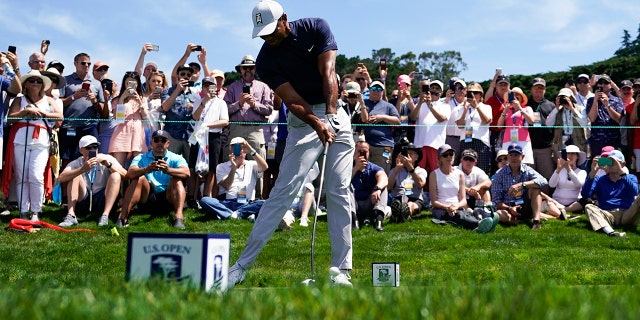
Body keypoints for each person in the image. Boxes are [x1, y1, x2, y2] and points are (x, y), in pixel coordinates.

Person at [228, 0, 355, 288]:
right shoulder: (265, 62)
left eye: (272, 31)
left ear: (285, 19)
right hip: (302, 121)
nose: (268, 38)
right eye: (263, 34)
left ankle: (341, 271)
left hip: (334, 110)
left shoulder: (316, 27)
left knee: (338, 189)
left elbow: (329, 72)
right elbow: (293, 101)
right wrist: (318, 124)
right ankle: (241, 267)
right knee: (282, 193)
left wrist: (332, 115)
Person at [4, 71, 63, 221]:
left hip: (41, 141)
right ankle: (24, 210)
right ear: (26, 84)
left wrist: (43, 114)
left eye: (38, 80)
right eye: (32, 80)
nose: (35, 83)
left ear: (42, 84)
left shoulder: (49, 100)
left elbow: (60, 117)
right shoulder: (19, 99)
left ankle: (36, 210)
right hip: (20, 140)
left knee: (36, 176)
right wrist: (25, 111)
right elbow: (10, 118)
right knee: (22, 176)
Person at [116, 130, 190, 229]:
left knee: (177, 179)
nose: (159, 143)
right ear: (151, 143)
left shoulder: (175, 157)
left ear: (167, 144)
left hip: (168, 198)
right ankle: (122, 217)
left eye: (163, 140)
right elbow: (130, 174)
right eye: (156, 140)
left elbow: (187, 173)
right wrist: (146, 169)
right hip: (147, 197)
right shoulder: (141, 157)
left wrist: (168, 170)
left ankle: (178, 217)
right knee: (138, 178)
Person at [224, 54, 274, 198]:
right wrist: (238, 104)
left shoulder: (263, 87)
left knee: (257, 163)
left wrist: (254, 105)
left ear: (255, 69)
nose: (248, 70)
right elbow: (225, 110)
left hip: (256, 129)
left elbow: (269, 109)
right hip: (236, 128)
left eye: (251, 67)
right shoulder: (232, 87)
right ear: (240, 70)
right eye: (245, 67)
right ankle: (231, 195)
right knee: (234, 159)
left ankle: (257, 198)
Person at [57, 136, 126, 227]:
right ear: (81, 150)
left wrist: (108, 165)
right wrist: (82, 169)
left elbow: (125, 175)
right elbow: (60, 178)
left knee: (116, 175)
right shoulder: (77, 162)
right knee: (74, 175)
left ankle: (105, 215)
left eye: (95, 147)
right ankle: (71, 215)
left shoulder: (105, 158)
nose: (93, 150)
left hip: (102, 198)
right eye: (89, 147)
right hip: (84, 198)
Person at [429, 145, 495, 233]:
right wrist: (448, 207)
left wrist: (456, 206)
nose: (449, 157)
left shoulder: (459, 174)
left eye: (451, 154)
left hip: (457, 207)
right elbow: (434, 202)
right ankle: (480, 224)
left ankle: (486, 219)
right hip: (441, 209)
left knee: (462, 213)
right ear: (439, 158)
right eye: (445, 155)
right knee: (458, 215)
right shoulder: (434, 174)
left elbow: (463, 200)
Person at [199, 137, 267, 220]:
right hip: (227, 202)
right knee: (205, 200)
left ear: (245, 151)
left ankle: (227, 214)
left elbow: (265, 167)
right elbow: (226, 186)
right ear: (230, 150)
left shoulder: (252, 164)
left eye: (241, 148)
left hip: (246, 202)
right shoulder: (221, 166)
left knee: (265, 203)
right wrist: (234, 168)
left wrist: (251, 150)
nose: (237, 151)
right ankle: (241, 214)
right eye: (234, 148)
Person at [59, 53, 107, 169]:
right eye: (83, 63)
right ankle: (67, 186)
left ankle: (89, 186)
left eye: (89, 63)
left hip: (89, 127)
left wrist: (94, 101)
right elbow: (58, 102)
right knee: (68, 160)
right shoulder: (66, 80)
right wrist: (74, 97)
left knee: (91, 157)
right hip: (70, 127)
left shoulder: (96, 83)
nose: (86, 65)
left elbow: (102, 109)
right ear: (75, 63)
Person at [581, 150, 640, 237]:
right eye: (609, 162)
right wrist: (593, 172)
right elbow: (585, 194)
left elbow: (635, 191)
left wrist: (621, 172)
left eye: (615, 162)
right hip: (607, 215)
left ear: (623, 164)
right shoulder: (600, 179)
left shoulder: (630, 177)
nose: (612, 165)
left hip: (627, 214)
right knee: (589, 207)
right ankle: (610, 231)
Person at [491, 143, 548, 229]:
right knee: (499, 214)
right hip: (508, 208)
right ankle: (517, 219)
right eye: (511, 155)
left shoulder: (527, 169)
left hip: (525, 205)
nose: (513, 158)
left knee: (535, 188)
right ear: (508, 157)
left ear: (522, 156)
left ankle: (536, 221)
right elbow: (496, 201)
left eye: (516, 155)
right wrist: (510, 208)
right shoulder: (499, 174)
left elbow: (544, 181)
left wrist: (523, 184)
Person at [191, 76, 229, 198]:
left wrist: (208, 125)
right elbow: (195, 117)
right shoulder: (198, 101)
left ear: (216, 87)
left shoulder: (221, 102)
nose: (208, 88)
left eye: (211, 86)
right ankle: (193, 196)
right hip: (199, 136)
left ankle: (207, 196)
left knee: (212, 167)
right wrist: (204, 102)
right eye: (206, 86)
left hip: (213, 136)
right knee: (194, 166)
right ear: (203, 88)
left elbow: (225, 121)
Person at [108, 71, 148, 168]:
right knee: (118, 168)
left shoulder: (143, 99)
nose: (130, 86)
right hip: (121, 135)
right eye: (128, 83)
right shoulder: (117, 100)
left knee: (138, 167)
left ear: (138, 84)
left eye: (133, 83)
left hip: (138, 136)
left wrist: (139, 101)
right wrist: (122, 99)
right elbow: (118, 119)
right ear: (124, 84)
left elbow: (145, 117)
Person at [411, 80, 449, 174]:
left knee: (436, 172)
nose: (434, 90)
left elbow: (441, 118)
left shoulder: (445, 105)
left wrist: (430, 105)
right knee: (418, 172)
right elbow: (413, 117)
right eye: (432, 88)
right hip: (420, 144)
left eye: (437, 89)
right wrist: (420, 102)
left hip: (436, 145)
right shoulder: (420, 104)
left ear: (441, 93)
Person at [360, 80, 400, 172]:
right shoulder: (363, 103)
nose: (376, 91)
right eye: (373, 88)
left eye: (379, 89)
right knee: (363, 172)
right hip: (365, 145)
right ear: (369, 90)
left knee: (381, 172)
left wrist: (382, 117)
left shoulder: (388, 106)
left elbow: (398, 121)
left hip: (384, 146)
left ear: (382, 92)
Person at [351, 141, 389, 231]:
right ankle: (354, 220)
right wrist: (356, 168)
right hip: (354, 204)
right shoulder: (348, 167)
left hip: (371, 202)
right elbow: (343, 181)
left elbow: (383, 177)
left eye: (365, 152)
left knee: (383, 188)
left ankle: (379, 221)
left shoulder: (373, 167)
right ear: (354, 152)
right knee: (347, 187)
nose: (362, 154)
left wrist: (377, 188)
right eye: (360, 151)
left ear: (369, 153)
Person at [455, 83, 492, 173]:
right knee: (464, 170)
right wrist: (464, 110)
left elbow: (486, 121)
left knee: (481, 169)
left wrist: (477, 106)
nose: (473, 95)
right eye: (470, 93)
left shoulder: (486, 107)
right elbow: (460, 126)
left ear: (480, 95)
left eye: (475, 93)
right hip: (465, 140)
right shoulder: (461, 107)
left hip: (481, 141)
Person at [544, 145, 587, 219]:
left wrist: (569, 169)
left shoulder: (582, 172)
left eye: (573, 153)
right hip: (557, 201)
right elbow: (551, 185)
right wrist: (558, 170)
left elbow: (578, 184)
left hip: (574, 203)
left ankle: (563, 210)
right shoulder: (560, 170)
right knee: (545, 202)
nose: (570, 156)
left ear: (577, 157)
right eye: (568, 153)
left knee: (586, 201)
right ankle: (561, 212)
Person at [388, 142, 427, 222]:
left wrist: (410, 168)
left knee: (410, 205)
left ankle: (404, 213)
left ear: (416, 157)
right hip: (398, 197)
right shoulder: (395, 170)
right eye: (407, 153)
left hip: (414, 198)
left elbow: (420, 184)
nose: (408, 156)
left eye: (412, 153)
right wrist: (396, 170)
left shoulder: (421, 171)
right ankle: (399, 212)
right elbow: (389, 187)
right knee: (397, 203)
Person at [586, 74, 624, 157]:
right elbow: (592, 118)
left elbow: (619, 120)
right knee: (600, 165)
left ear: (610, 85)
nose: (602, 85)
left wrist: (607, 105)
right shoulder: (591, 100)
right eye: (600, 83)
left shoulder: (617, 100)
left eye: (605, 83)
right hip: (597, 142)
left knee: (612, 165)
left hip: (613, 141)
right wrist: (595, 101)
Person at [526, 77, 555, 180]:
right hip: (528, 148)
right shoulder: (525, 104)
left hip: (546, 148)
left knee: (546, 178)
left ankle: (546, 197)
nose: (538, 89)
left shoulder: (551, 105)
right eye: (536, 87)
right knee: (529, 179)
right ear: (531, 89)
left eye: (541, 87)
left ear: (545, 90)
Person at [497, 87, 534, 165]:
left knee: (525, 165)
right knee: (508, 165)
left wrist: (520, 108)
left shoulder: (527, 108)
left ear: (521, 99)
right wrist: (504, 112)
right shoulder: (507, 110)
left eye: (517, 97)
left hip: (523, 140)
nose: (514, 99)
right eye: (513, 97)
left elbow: (531, 121)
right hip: (508, 140)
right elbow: (499, 126)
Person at [546, 88, 588, 155]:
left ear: (571, 98)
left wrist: (572, 109)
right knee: (562, 164)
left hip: (577, 142)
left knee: (578, 163)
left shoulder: (580, 109)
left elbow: (585, 124)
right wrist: (556, 108)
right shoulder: (557, 111)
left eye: (565, 98)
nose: (564, 100)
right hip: (561, 143)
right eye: (561, 98)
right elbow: (548, 124)